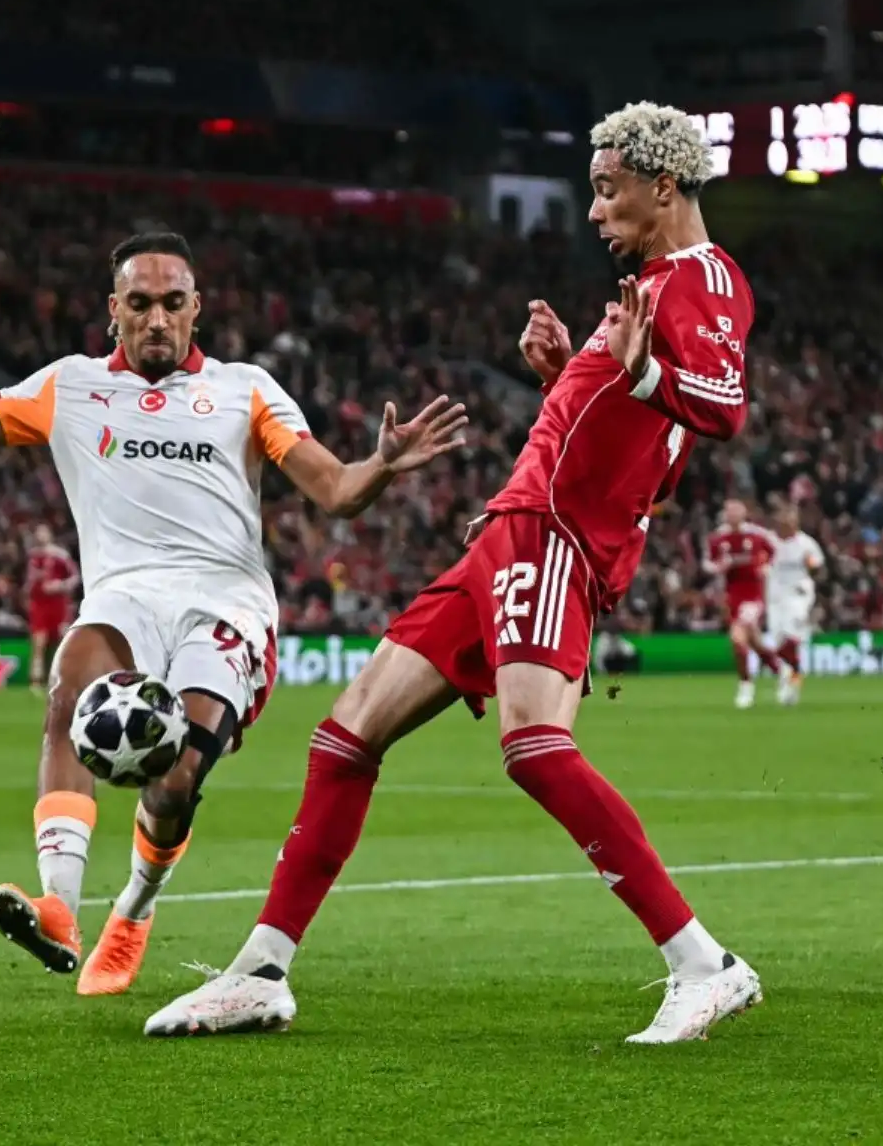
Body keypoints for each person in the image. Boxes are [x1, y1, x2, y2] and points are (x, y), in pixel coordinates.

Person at [145, 102, 761, 1045]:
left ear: (663, 187)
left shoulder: (702, 279)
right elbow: (609, 424)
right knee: (344, 739)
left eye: (607, 191)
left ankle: (703, 964)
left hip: (554, 539)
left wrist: (633, 375)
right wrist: (567, 372)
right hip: (504, 536)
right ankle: (260, 971)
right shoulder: (649, 287)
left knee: (534, 748)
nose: (594, 213)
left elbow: (721, 407)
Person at [0, 230, 467, 996]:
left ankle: (135, 907)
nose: (156, 318)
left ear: (197, 311)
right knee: (70, 684)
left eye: (172, 303)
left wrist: (383, 465)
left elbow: (335, 491)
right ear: (112, 311)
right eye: (140, 303)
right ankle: (59, 904)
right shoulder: (69, 388)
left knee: (174, 783)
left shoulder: (245, 389)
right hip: (123, 597)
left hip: (224, 602)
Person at [706, 499, 784, 709]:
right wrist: (718, 567)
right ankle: (780, 670)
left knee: (737, 638)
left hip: (753, 595)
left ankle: (745, 685)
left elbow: (776, 553)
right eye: (728, 511)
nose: (732, 515)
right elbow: (708, 564)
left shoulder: (757, 535)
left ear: (744, 513)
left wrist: (767, 567)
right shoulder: (718, 538)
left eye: (736, 511)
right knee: (754, 642)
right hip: (731, 596)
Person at [764, 505, 824, 706]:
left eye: (791, 520)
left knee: (791, 637)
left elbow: (819, 570)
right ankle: (788, 680)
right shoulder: (769, 542)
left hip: (798, 595)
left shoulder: (806, 543)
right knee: (778, 641)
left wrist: (812, 567)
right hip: (774, 598)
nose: (787, 524)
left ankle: (794, 675)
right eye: (784, 520)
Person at [24, 524, 79, 695]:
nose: (40, 535)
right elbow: (29, 581)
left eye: (43, 532)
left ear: (50, 534)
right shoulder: (33, 557)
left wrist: (60, 586)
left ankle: (61, 679)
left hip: (59, 605)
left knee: (61, 642)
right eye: (38, 532)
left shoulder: (60, 555)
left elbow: (75, 577)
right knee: (39, 642)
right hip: (39, 604)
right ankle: (35, 682)